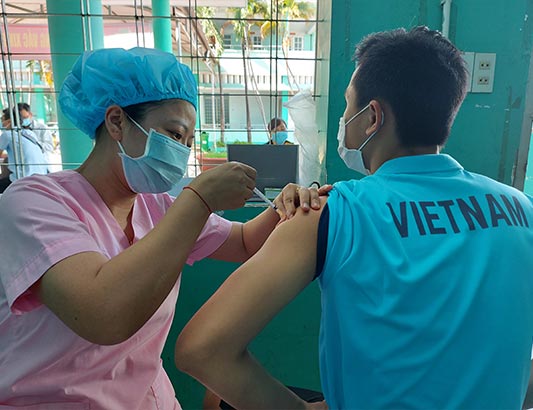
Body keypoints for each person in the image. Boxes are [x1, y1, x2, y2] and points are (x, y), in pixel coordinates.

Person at [175, 26, 533, 409]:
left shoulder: (334, 214)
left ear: (372, 117)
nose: (344, 118)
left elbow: (202, 349)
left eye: (348, 105)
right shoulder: (523, 210)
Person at [0, 47, 327, 409]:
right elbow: (103, 314)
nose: (181, 152)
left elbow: (245, 242)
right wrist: (199, 200)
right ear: (116, 122)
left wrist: (286, 205)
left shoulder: (156, 208)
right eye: (174, 135)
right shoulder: (32, 204)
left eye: (188, 143)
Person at [0, 107, 48, 192]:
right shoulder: (29, 133)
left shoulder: (7, 135)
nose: (2, 123)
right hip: (41, 176)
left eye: (2, 120)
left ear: (9, 121)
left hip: (22, 179)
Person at [18, 102, 55, 172]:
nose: (23, 121)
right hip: (25, 168)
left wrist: (33, 144)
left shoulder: (42, 128)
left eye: (25, 117)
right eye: (20, 119)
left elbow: (49, 146)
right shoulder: (17, 130)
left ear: (30, 114)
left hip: (42, 165)